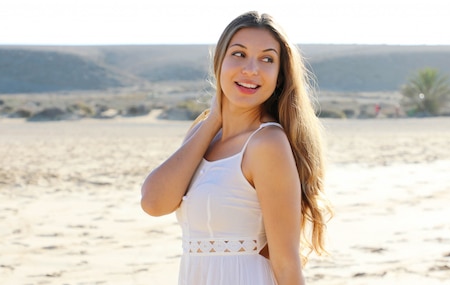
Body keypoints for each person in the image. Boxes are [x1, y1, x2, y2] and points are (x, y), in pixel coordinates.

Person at [141, 11, 332, 285]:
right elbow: (154, 203)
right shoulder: (203, 133)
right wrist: (214, 121)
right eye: (239, 54)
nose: (251, 69)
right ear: (219, 61)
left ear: (279, 76)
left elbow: (286, 262)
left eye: (267, 59)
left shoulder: (267, 144)